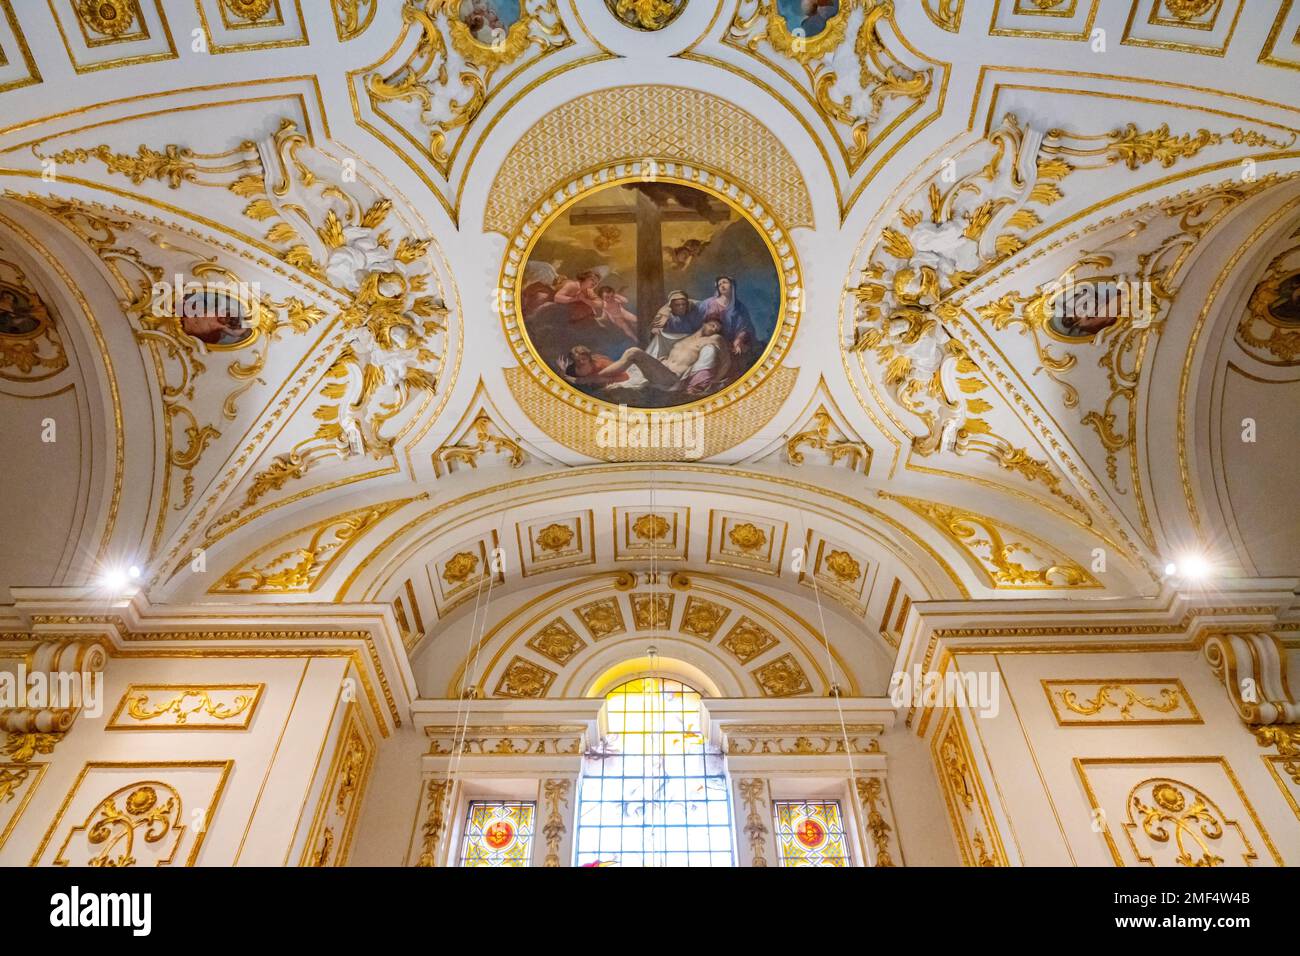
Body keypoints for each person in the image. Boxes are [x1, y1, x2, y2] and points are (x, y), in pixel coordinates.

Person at [568, 315, 732, 396]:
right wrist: (663, 360)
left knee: (633, 352)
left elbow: (725, 359)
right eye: (712, 325)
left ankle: (585, 380)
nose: (714, 329)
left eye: (717, 328)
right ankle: (590, 379)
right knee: (627, 365)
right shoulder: (686, 337)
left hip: (673, 380)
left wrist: (718, 377)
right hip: (664, 372)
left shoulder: (713, 339)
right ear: (704, 322)